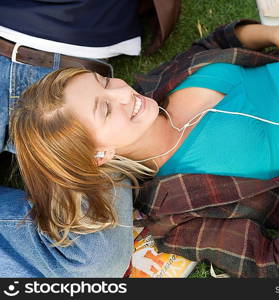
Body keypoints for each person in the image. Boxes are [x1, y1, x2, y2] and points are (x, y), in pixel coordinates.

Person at [8, 0, 279, 277]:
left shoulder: (157, 86)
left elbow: (219, 40)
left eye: (105, 82)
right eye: (104, 108)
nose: (122, 94)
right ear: (98, 154)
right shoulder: (177, 211)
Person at [0, 0, 176, 277]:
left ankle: (95, 143)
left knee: (91, 257)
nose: (124, 92)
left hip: (70, 89)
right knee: (94, 262)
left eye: (106, 82)